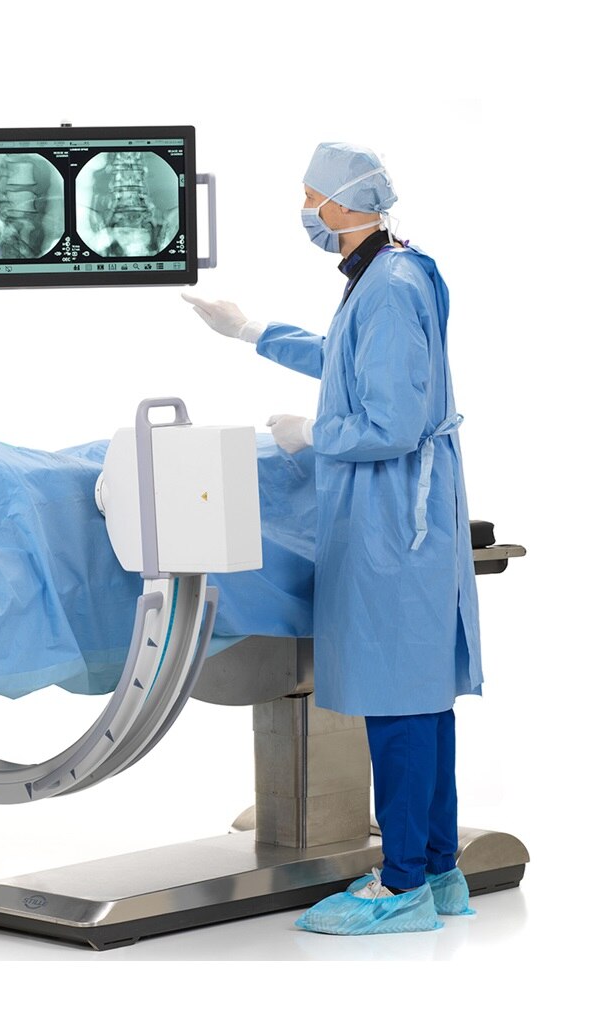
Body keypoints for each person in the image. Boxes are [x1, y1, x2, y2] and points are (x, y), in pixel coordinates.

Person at [183, 143, 483, 935]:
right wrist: (250, 331)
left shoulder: (391, 286)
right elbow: (345, 361)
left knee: (399, 703)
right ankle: (440, 870)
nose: (306, 210)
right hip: (395, 515)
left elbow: (390, 422)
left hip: (397, 525)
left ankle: (403, 884)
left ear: (346, 203)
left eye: (311, 196)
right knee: (421, 701)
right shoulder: (384, 273)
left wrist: (311, 436)